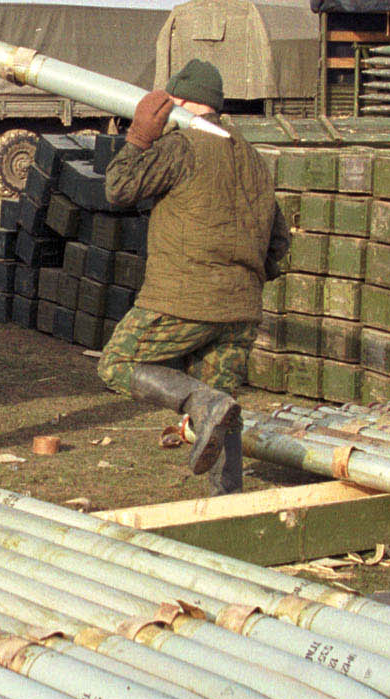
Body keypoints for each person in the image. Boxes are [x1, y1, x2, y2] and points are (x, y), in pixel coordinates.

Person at [97, 59, 289, 494]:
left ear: (177, 102)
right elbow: (278, 245)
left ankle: (198, 401)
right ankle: (227, 504)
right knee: (224, 415)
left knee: (116, 364)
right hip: (241, 309)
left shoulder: (183, 145)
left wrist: (140, 136)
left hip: (183, 299)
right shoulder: (254, 158)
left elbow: (118, 188)